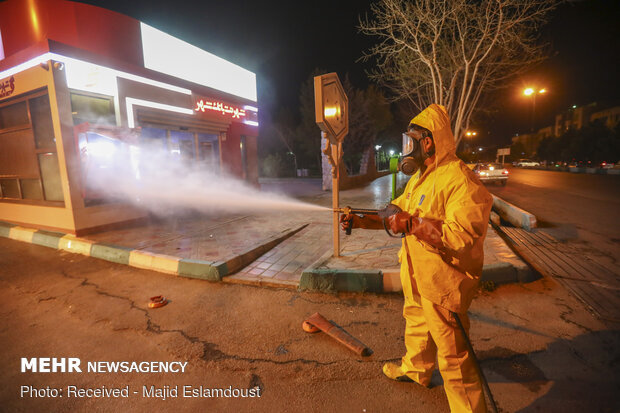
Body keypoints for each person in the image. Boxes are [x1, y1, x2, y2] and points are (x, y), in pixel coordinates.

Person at [341, 104, 492, 413]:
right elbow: (394, 214)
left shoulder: (461, 180)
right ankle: (416, 371)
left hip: (444, 279)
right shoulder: (420, 178)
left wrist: (412, 224)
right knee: (416, 324)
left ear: (429, 142)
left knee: (453, 353)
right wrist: (359, 220)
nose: (406, 148)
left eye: (411, 141)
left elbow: (462, 235)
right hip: (417, 273)